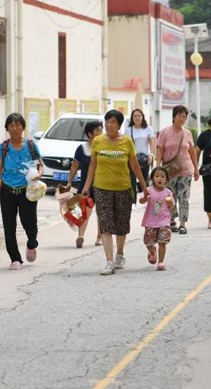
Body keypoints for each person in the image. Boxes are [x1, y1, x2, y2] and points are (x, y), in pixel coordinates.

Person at [81, 109, 147, 275]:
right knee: (105, 225)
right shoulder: (97, 142)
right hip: (101, 188)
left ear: (119, 125)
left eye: (113, 122)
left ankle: (120, 254)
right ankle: (109, 261)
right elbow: (92, 166)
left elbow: (134, 166)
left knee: (121, 225)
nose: (109, 125)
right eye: (107, 122)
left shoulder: (126, 142)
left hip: (123, 188)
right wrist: (87, 186)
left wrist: (145, 188)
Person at [0, 113, 44, 270]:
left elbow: (40, 164)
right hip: (7, 190)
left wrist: (39, 174)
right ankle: (15, 259)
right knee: (9, 225)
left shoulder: (31, 146)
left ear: (23, 127)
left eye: (18, 125)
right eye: (11, 125)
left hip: (28, 190)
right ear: (7, 128)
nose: (14, 128)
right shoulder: (3, 147)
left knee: (29, 222)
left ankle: (32, 242)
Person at [156, 105, 198, 234]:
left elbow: (192, 152)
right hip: (169, 171)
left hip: (185, 170)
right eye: (179, 116)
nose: (182, 119)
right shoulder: (164, 132)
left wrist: (196, 168)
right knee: (170, 196)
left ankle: (183, 223)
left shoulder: (187, 133)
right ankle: (171, 220)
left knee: (184, 197)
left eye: (184, 117)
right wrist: (158, 167)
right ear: (173, 117)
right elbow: (159, 149)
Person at [65, 120, 103, 247]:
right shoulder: (82, 149)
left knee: (101, 213)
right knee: (84, 211)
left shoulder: (104, 147)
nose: (101, 132)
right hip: (86, 185)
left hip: (103, 184)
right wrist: (69, 182)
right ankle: (80, 236)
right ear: (90, 133)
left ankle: (99, 237)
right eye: (98, 130)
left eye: (101, 130)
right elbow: (74, 166)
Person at [140, 166, 175, 271]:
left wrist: (170, 202)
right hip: (150, 222)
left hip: (164, 221)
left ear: (166, 179)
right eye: (157, 176)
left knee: (162, 241)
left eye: (162, 177)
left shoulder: (168, 192)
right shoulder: (148, 190)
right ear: (152, 178)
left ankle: (160, 262)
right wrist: (145, 198)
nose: (160, 178)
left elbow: (172, 206)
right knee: (148, 242)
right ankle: (152, 251)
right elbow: (141, 201)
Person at [126, 109, 156, 203]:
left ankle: (145, 198)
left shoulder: (148, 129)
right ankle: (132, 201)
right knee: (132, 180)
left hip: (145, 158)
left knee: (144, 179)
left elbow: (152, 142)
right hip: (132, 158)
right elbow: (126, 144)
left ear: (142, 117)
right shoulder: (128, 130)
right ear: (132, 118)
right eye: (135, 116)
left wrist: (151, 154)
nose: (137, 118)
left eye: (139, 115)